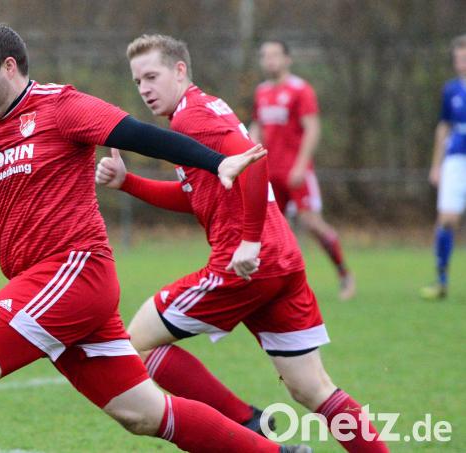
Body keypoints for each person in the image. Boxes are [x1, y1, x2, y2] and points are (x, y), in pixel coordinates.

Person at [0, 24, 309, 453]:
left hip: (73, 271)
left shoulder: (61, 106)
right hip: (54, 287)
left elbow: (138, 135)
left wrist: (217, 162)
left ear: (8, 68)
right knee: (145, 413)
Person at [95, 33, 389, 453]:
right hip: (282, 260)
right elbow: (196, 195)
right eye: (138, 80)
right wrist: (129, 183)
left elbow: (254, 160)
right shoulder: (204, 108)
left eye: (152, 76)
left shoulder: (190, 118)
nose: (143, 89)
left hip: (244, 264)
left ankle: (250, 425)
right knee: (312, 388)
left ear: (180, 71)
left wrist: (249, 242)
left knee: (136, 343)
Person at [248, 40, 355, 301]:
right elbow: (257, 127)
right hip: (269, 171)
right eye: (265, 55)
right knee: (272, 229)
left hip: (295, 171)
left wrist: (301, 164)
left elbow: (313, 128)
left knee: (311, 223)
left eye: (275, 55)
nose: (269, 60)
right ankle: (276, 286)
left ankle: (344, 274)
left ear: (288, 59)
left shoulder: (300, 90)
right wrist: (247, 152)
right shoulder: (261, 91)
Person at [421, 34, 466, 300]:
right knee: (447, 220)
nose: (462, 62)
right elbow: (444, 126)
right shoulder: (450, 90)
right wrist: (436, 165)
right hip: (456, 159)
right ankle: (441, 280)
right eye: (459, 58)